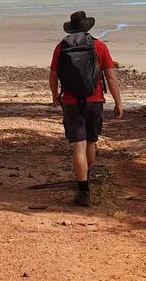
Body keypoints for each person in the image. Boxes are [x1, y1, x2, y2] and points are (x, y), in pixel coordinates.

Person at [50, 10, 123, 207]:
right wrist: (118, 102)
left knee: (78, 146)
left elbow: (53, 75)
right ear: (87, 27)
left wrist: (54, 97)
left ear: (71, 28)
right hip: (95, 100)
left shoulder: (61, 46)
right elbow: (110, 77)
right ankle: (85, 178)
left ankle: (83, 191)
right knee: (91, 142)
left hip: (71, 102)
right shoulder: (99, 46)